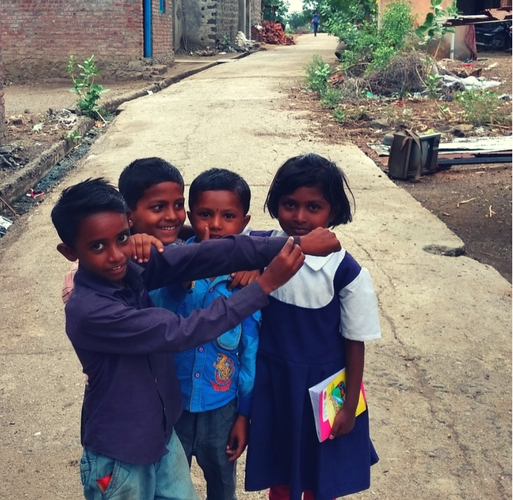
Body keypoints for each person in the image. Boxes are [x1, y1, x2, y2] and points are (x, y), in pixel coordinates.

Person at [54, 177, 342, 499]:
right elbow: (180, 330)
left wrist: (294, 244)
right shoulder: (91, 311)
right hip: (120, 452)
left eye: (122, 238)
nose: (116, 254)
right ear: (69, 252)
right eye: (97, 246)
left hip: (161, 435)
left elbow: (204, 256)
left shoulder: (128, 271)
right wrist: (264, 286)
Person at [244, 154, 380, 500]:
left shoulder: (347, 273)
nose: (300, 216)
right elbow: (217, 240)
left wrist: (349, 406)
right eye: (290, 204)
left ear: (332, 211)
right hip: (275, 384)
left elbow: (355, 342)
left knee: (321, 476)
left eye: (313, 207)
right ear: (275, 204)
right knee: (281, 469)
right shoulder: (262, 250)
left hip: (321, 390)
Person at [153, 168, 261, 500]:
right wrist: (181, 276)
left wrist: (244, 416)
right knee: (169, 488)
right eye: (204, 214)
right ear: (190, 215)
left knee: (223, 487)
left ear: (244, 222)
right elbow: (157, 312)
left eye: (227, 216)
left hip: (222, 410)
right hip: (174, 409)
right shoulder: (172, 263)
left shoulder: (247, 278)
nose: (214, 224)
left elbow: (250, 355)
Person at [61, 157, 187, 304]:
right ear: (128, 214)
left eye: (179, 205)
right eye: (158, 207)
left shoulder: (183, 242)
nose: (172, 216)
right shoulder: (101, 267)